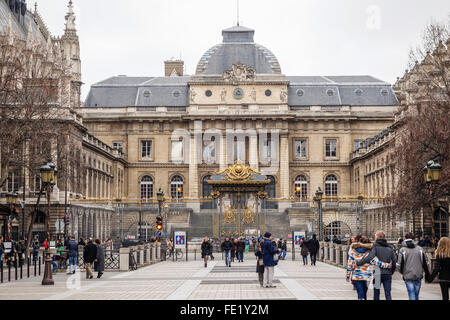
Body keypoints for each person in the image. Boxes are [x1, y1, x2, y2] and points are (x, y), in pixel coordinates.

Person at [356, 230, 396, 300]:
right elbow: (394, 261)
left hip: (378, 273)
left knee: (376, 293)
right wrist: (391, 271)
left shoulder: (375, 246)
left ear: (377, 237)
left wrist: (359, 263)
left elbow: (370, 257)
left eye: (375, 235)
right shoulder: (390, 247)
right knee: (388, 293)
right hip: (387, 273)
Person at [397, 232, 430, 300]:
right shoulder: (420, 249)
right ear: (414, 239)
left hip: (408, 275)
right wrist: (423, 272)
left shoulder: (402, 250)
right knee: (416, 295)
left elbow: (399, 264)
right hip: (418, 275)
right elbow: (426, 263)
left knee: (411, 294)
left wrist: (403, 273)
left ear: (405, 238)